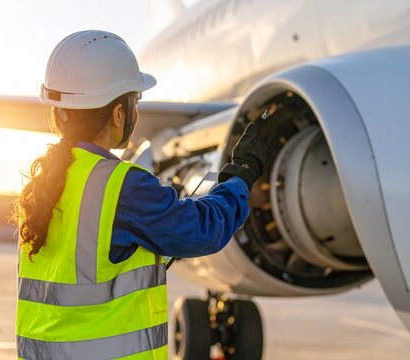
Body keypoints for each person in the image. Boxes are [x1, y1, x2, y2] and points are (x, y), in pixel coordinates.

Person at [14, 30, 268, 360]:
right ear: (119, 113)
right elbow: (206, 230)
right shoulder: (123, 187)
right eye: (134, 102)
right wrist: (242, 173)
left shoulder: (40, 185)